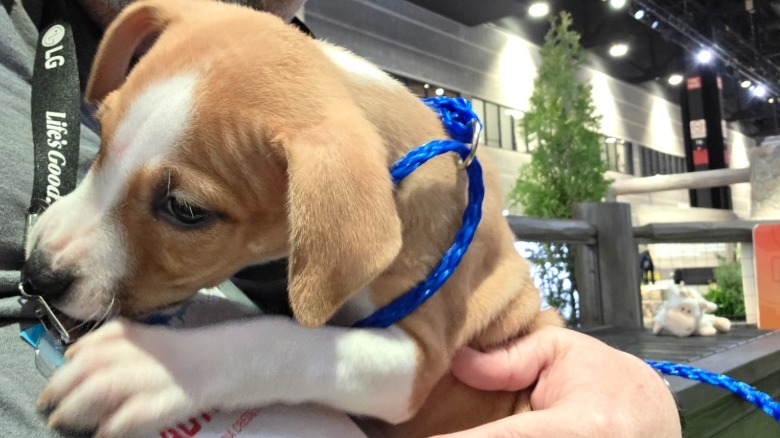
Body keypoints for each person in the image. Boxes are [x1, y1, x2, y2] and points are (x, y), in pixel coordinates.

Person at [0, 1, 681, 436]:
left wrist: (625, 391)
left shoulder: (353, 155)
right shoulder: (216, 65)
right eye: (107, 130)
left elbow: (412, 372)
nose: (59, 242)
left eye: (184, 209)